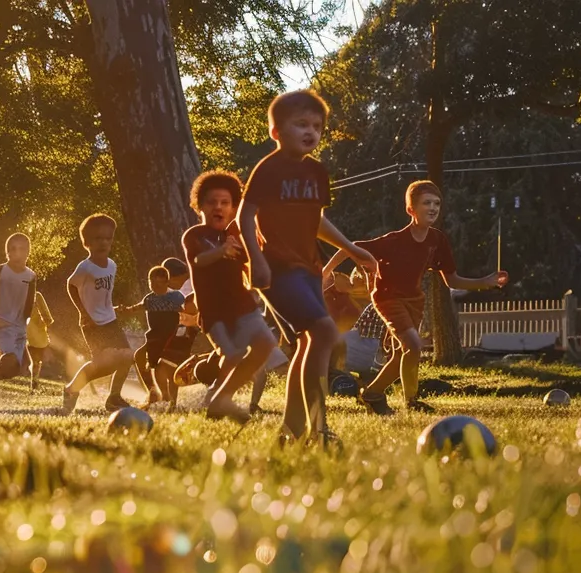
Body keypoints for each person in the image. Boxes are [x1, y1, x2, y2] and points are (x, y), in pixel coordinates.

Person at [238, 89, 378, 440]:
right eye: (301, 124)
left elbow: (316, 221)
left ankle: (291, 429)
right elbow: (245, 216)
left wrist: (352, 248)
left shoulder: (317, 172)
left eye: (317, 126)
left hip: (309, 269)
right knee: (325, 331)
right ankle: (320, 426)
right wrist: (256, 260)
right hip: (277, 268)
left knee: (307, 342)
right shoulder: (268, 169)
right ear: (276, 132)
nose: (310, 132)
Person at [326, 180, 507, 414]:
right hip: (387, 298)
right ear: (411, 209)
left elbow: (451, 280)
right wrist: (326, 272)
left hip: (414, 301)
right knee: (413, 345)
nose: (433, 208)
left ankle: (371, 393)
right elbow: (349, 247)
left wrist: (485, 282)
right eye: (426, 203)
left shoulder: (437, 240)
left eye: (437, 204)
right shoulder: (393, 241)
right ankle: (411, 401)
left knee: (403, 352)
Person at [183, 170, 280, 422]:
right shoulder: (195, 235)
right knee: (234, 354)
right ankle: (218, 399)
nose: (218, 207)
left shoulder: (239, 235)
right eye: (212, 202)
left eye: (225, 203)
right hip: (214, 311)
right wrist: (222, 251)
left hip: (243, 306)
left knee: (266, 344)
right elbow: (198, 260)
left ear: (234, 207)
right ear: (200, 206)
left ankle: (220, 397)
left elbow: (256, 263)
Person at [61, 214, 135, 413]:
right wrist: (83, 313)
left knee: (128, 356)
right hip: (93, 323)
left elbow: (104, 293)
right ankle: (71, 389)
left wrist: (112, 307)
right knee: (105, 363)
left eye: (108, 238)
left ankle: (114, 397)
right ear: (87, 242)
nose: (103, 242)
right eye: (97, 239)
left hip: (110, 320)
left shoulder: (112, 265)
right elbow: (71, 285)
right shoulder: (85, 267)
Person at [129, 265, 189, 410]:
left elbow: (187, 310)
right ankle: (154, 393)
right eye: (151, 283)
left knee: (164, 367)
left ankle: (170, 399)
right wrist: (127, 309)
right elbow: (140, 306)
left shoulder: (175, 296)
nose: (154, 286)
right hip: (155, 336)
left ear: (167, 282)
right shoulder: (150, 299)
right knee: (141, 357)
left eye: (158, 283)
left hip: (171, 335)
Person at [0, 233, 37, 385]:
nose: (17, 253)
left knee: (20, 367)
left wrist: (27, 326)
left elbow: (30, 303)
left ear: (28, 252)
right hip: (2, 324)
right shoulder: (1, 270)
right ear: (7, 252)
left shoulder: (31, 276)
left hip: (19, 327)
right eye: (13, 249)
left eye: (22, 249)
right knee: (10, 359)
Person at [150, 258, 201, 406]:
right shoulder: (188, 283)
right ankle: (168, 400)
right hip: (182, 331)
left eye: (168, 281)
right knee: (167, 366)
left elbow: (188, 309)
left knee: (162, 365)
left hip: (186, 332)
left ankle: (166, 399)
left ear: (174, 277)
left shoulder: (188, 287)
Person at [25, 290, 54, 392]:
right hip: (32, 334)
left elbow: (47, 318)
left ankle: (34, 384)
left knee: (36, 361)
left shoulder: (34, 296)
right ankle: (34, 384)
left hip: (32, 335)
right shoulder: (34, 295)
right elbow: (46, 315)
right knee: (36, 361)